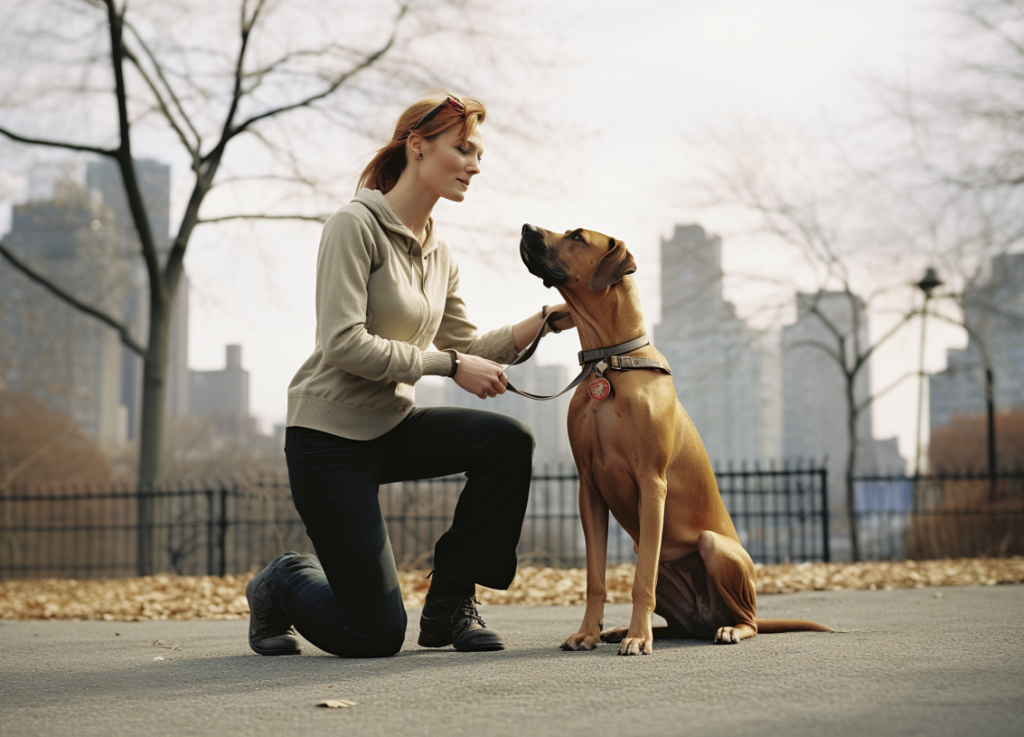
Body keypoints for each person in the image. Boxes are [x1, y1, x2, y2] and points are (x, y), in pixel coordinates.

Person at [245, 92, 574, 658]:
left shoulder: (439, 252)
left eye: (479, 153)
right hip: (327, 440)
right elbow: (344, 343)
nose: (475, 164)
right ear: (418, 148)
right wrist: (448, 365)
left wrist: (541, 321)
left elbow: (467, 346)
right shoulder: (355, 225)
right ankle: (281, 580)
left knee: (505, 441)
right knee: (371, 635)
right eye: (463, 149)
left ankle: (449, 604)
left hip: (391, 426)